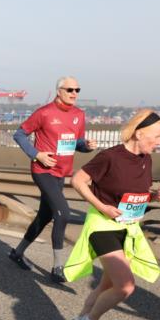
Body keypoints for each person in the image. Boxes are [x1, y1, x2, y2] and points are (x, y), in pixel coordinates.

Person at [62, 110, 160, 320]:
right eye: (157, 136)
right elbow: (77, 180)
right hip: (102, 226)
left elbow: (134, 193)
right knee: (125, 286)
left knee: (104, 287)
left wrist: (155, 196)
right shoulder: (110, 157)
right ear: (139, 133)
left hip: (128, 229)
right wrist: (102, 207)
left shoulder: (146, 159)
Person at [9, 76, 96, 282]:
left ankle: (17, 253)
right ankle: (58, 268)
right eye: (70, 90)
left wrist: (86, 146)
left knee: (45, 216)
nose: (74, 93)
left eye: (77, 90)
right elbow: (19, 135)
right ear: (59, 91)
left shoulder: (79, 115)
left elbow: (77, 143)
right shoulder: (44, 113)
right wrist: (37, 154)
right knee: (63, 213)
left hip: (61, 173)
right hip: (42, 171)